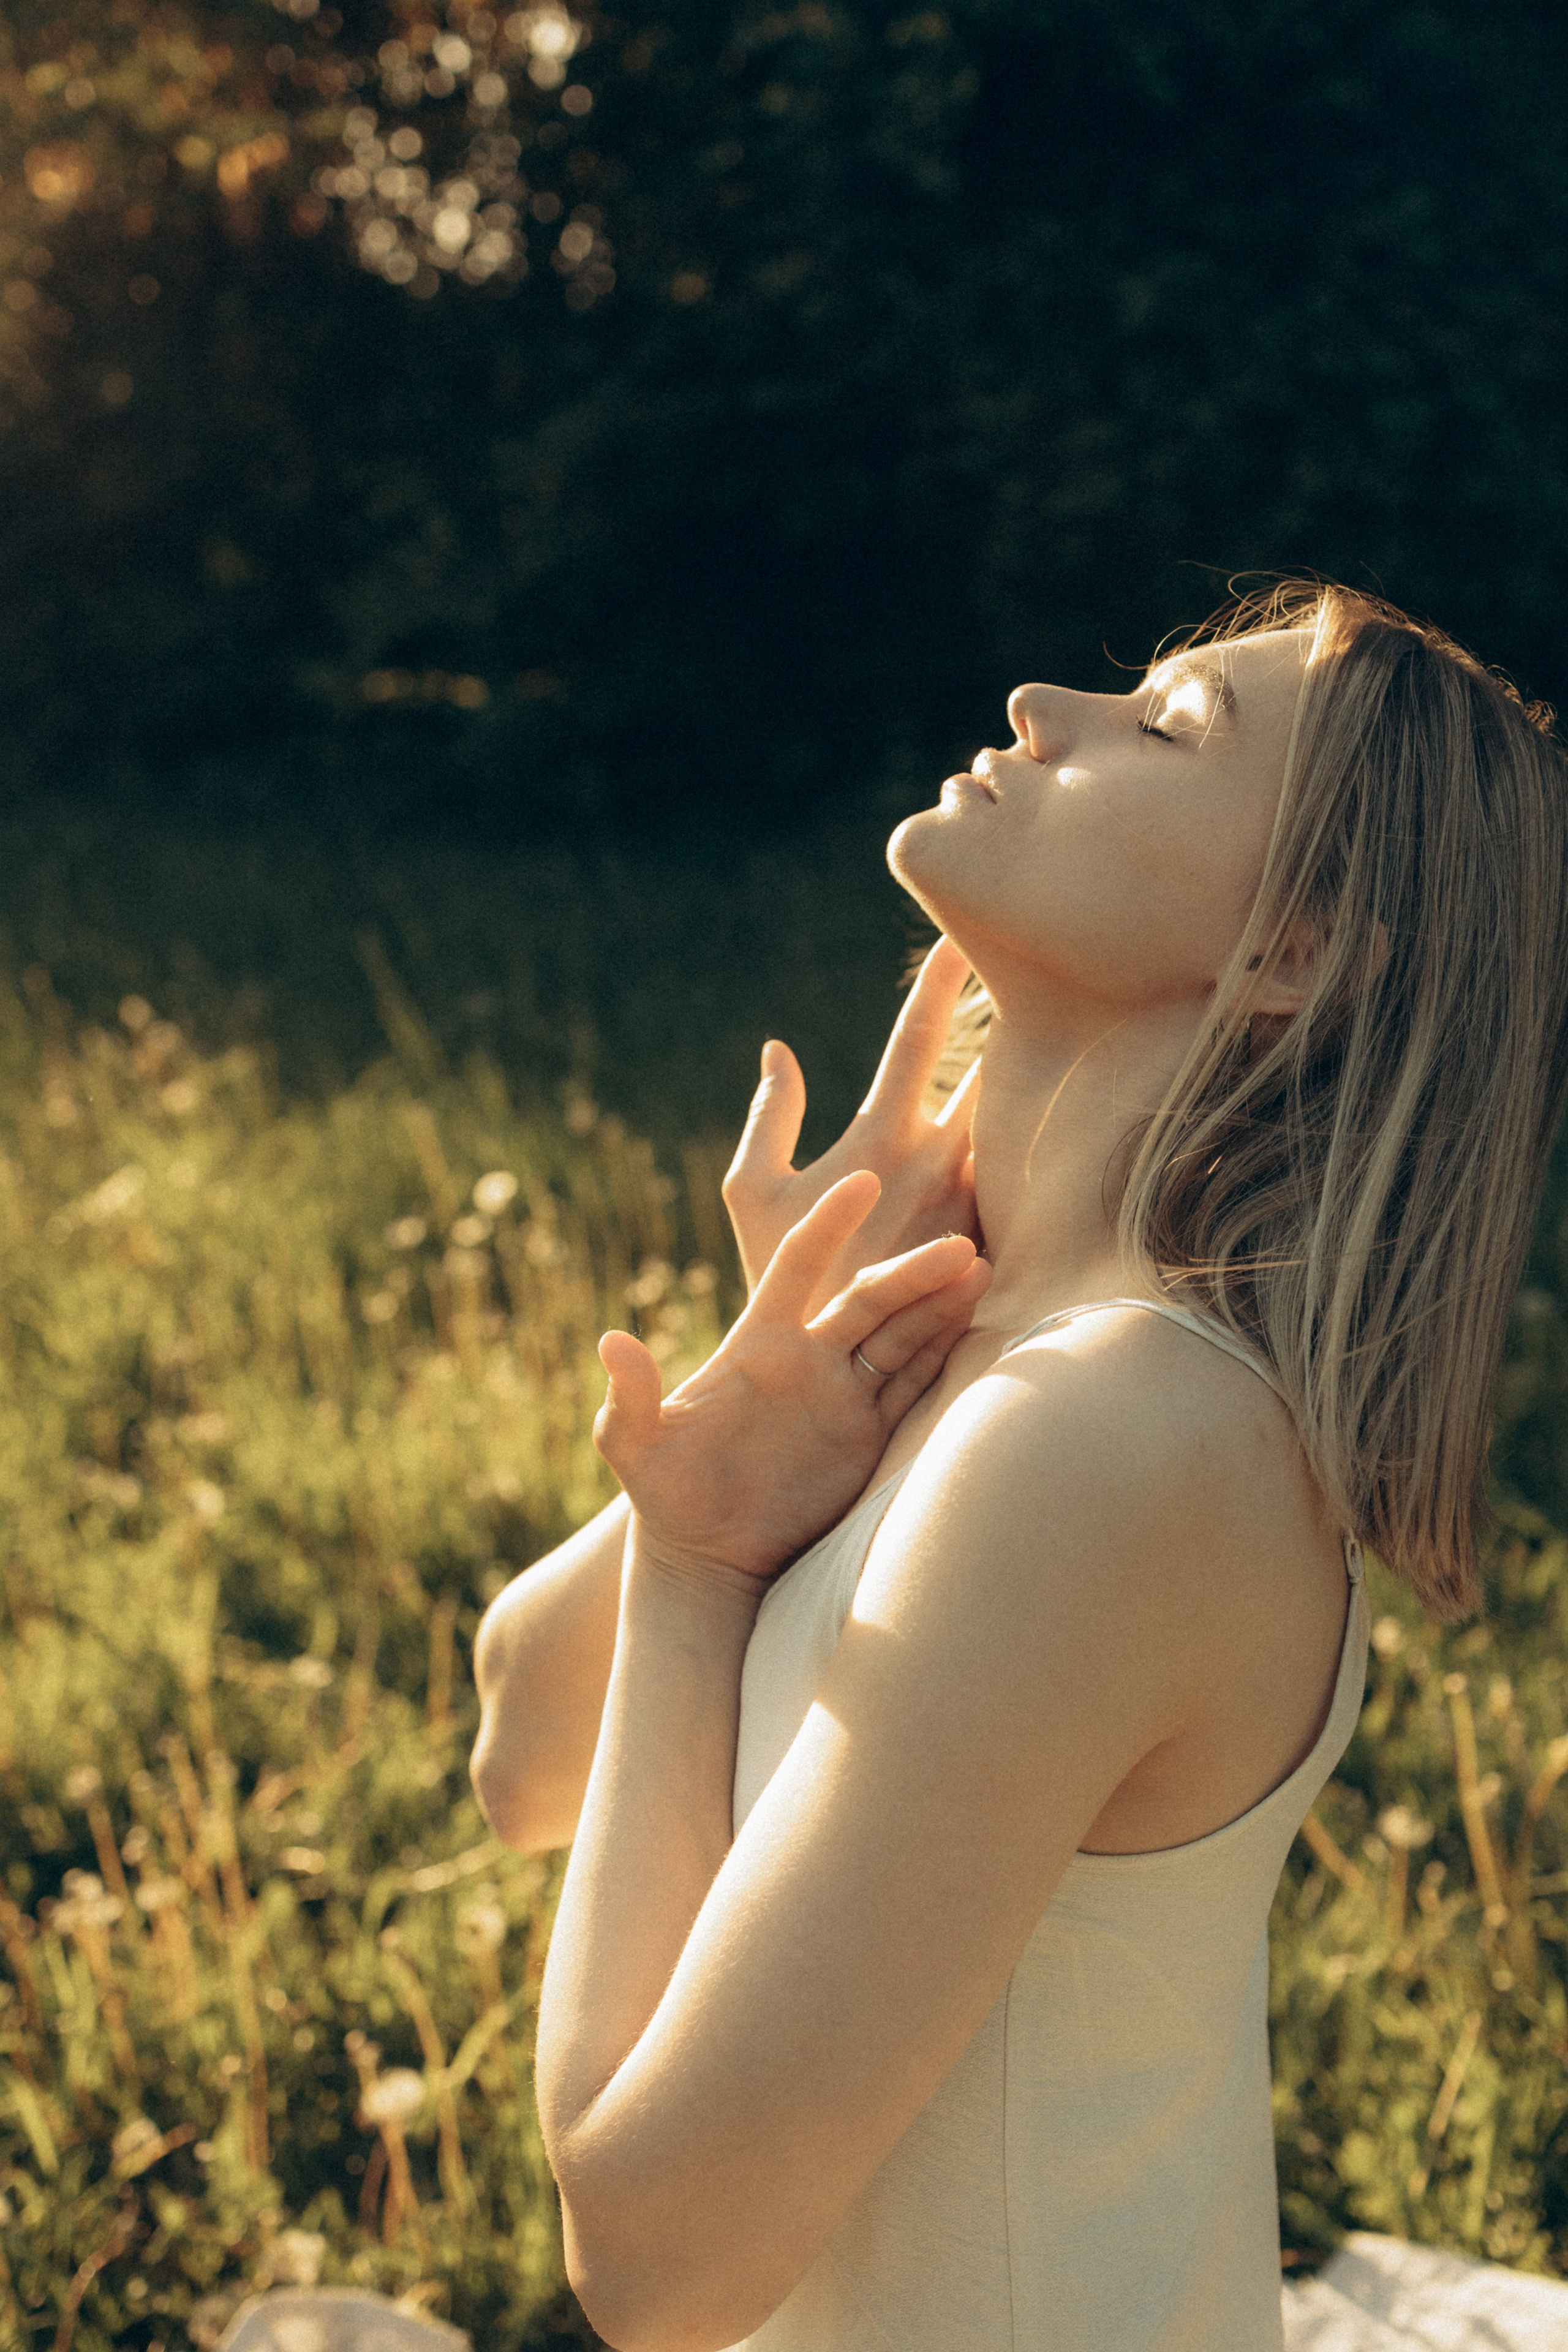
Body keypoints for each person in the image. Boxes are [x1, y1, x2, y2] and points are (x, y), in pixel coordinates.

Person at [470, 582, 1568, 2352]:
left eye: (1173, 727)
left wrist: (700, 1579)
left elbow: (654, 2258)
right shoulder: (984, 1361)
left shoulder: (1115, 1437)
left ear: (1293, 948)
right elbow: (519, 1746)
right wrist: (769, 1382)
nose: (1045, 701)